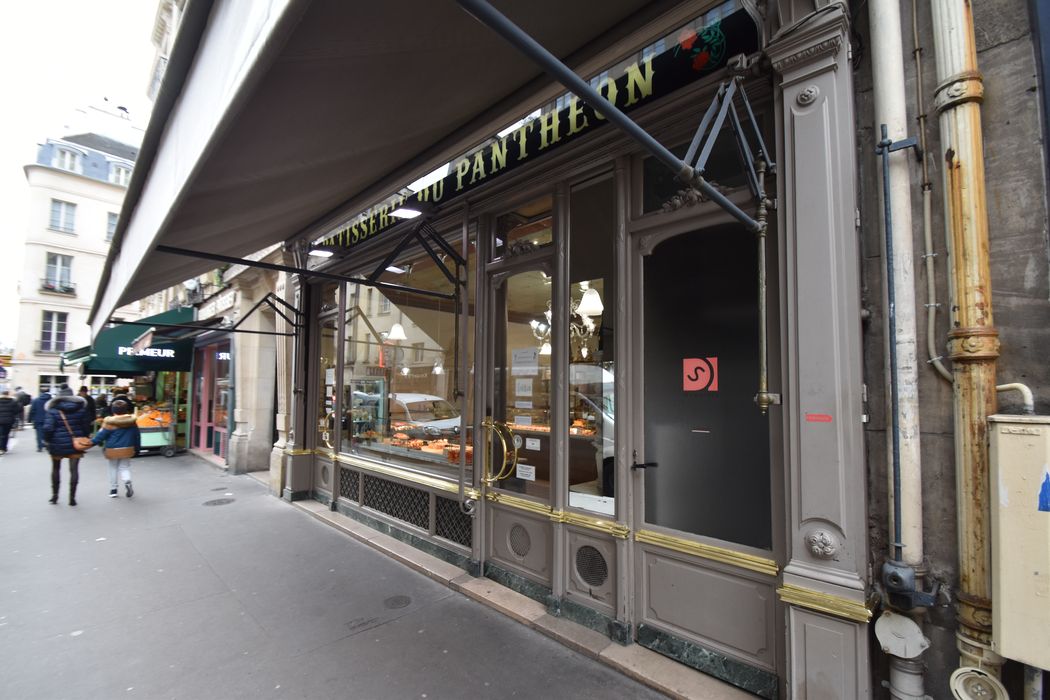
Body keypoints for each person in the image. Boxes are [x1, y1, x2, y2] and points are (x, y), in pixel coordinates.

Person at [42, 384, 94, 506]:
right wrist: (84, 437)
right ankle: (72, 498)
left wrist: (47, 441)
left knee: (56, 468)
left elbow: (48, 428)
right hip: (76, 443)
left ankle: (55, 496)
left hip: (57, 443)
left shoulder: (53, 410)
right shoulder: (81, 409)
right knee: (74, 469)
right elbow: (86, 427)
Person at [92, 400, 140, 498]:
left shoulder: (109, 423)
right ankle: (127, 481)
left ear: (113, 411)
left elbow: (100, 436)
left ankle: (113, 490)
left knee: (113, 468)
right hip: (127, 448)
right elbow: (137, 436)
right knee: (124, 467)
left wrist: (90, 443)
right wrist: (137, 448)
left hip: (112, 449)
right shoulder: (132, 422)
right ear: (126, 410)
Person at [28, 387, 52, 452]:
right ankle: (48, 445)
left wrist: (29, 419)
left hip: (38, 419)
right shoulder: (51, 400)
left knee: (39, 434)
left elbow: (32, 410)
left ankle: (39, 447)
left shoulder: (36, 400)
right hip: (49, 419)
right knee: (48, 433)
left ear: (40, 392)